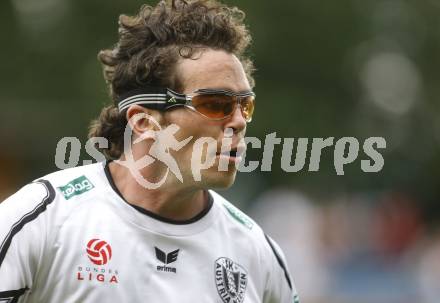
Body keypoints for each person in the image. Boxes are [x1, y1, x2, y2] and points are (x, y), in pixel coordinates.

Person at [0, 0, 299, 302]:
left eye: (245, 106)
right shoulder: (43, 220)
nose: (238, 121)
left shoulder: (258, 255)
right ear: (144, 122)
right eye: (215, 105)